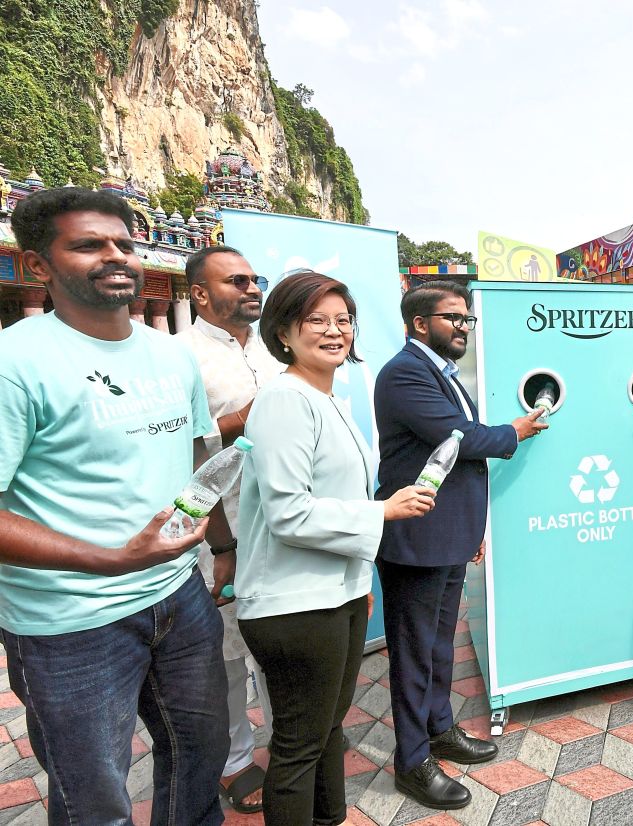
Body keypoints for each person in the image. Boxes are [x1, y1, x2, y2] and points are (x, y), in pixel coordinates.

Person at [0, 187, 229, 824]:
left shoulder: (170, 354)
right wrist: (110, 559)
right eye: (88, 245)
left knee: (198, 758)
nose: (115, 256)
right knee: (93, 797)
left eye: (124, 243)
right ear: (39, 265)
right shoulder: (14, 363)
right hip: (70, 622)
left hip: (178, 598)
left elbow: (191, 460)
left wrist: (217, 545)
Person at [235, 271, 436, 826]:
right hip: (292, 601)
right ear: (282, 331)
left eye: (342, 320)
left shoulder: (331, 397)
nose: (333, 331)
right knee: (300, 744)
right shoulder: (283, 399)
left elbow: (338, 494)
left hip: (336, 591)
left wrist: (359, 581)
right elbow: (288, 513)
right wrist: (384, 511)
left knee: (327, 731)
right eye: (316, 320)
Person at [375, 281, 548, 810]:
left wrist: (470, 531)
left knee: (439, 645)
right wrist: (515, 431)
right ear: (419, 323)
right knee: (413, 651)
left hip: (447, 531)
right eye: (455, 318)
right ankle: (411, 760)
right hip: (415, 536)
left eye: (468, 319)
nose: (465, 328)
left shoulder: (440, 373)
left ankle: (440, 728)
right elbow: (462, 439)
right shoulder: (405, 372)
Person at [181, 244, 284, 814]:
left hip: (285, 524)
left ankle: (288, 737)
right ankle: (235, 760)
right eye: (236, 280)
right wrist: (248, 415)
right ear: (200, 293)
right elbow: (184, 449)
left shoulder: (274, 348)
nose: (251, 289)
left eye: (255, 279)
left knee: (280, 638)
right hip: (222, 532)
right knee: (222, 655)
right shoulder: (181, 357)